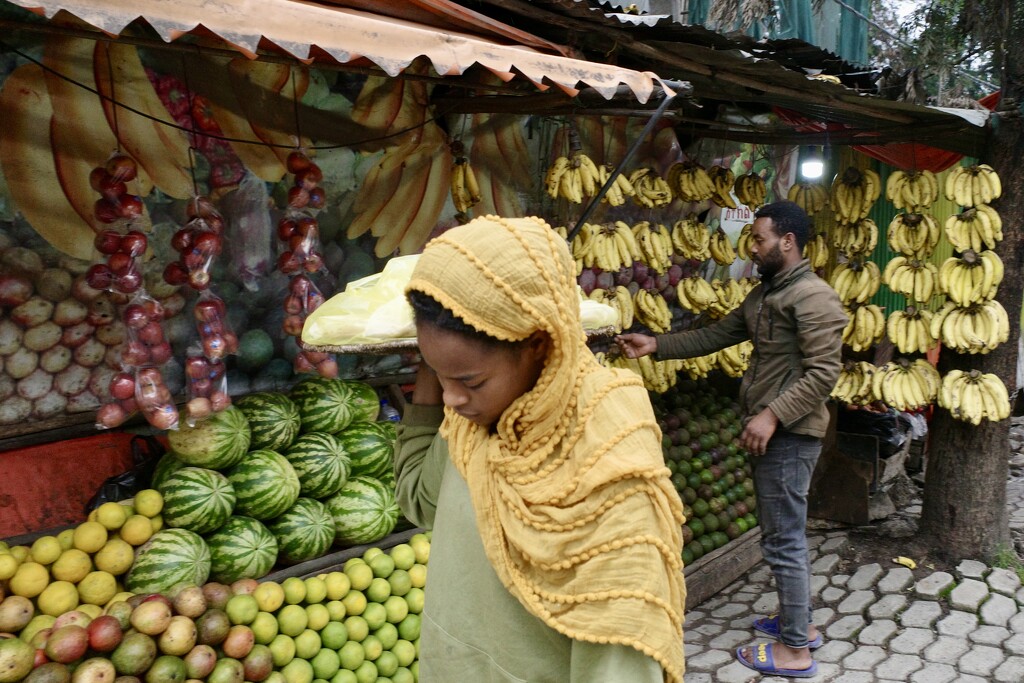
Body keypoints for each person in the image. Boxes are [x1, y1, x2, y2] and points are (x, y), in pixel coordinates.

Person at [394, 215, 686, 683]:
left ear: (537, 343)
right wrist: (438, 370)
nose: (452, 399)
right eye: (437, 373)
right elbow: (419, 499)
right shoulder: (475, 423)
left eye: (469, 380)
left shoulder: (610, 460)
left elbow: (620, 663)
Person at [617, 200, 846, 679]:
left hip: (792, 435)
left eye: (759, 239)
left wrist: (771, 416)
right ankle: (796, 623)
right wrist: (657, 344)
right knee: (781, 531)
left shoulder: (813, 297)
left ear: (787, 242)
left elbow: (825, 373)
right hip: (773, 430)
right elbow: (717, 334)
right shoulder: (765, 296)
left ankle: (795, 651)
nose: (753, 247)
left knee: (783, 538)